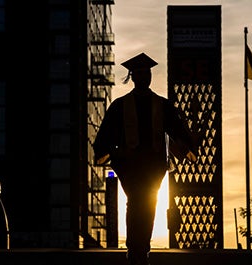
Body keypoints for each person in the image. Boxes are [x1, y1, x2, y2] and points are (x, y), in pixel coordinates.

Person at [94, 53, 197, 265]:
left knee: (147, 203)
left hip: (153, 166)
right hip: (130, 166)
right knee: (137, 202)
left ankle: (139, 248)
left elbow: (177, 130)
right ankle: (136, 248)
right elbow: (106, 136)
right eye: (140, 73)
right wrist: (111, 152)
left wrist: (187, 145)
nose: (144, 77)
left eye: (147, 73)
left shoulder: (162, 105)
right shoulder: (120, 106)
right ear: (133, 77)